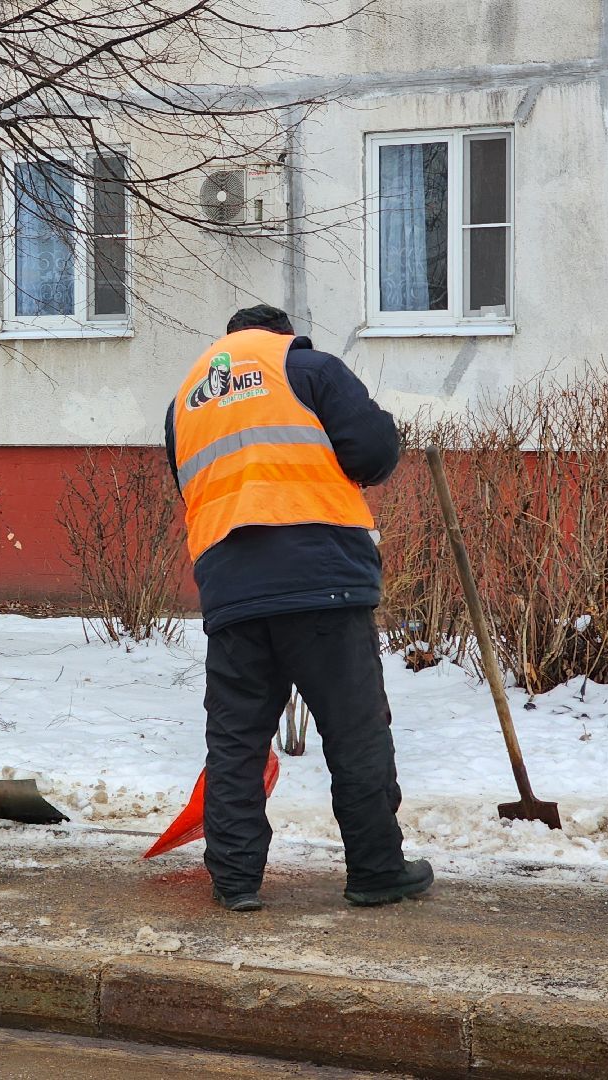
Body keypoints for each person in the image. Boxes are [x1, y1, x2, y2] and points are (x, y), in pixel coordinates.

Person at [164, 304, 432, 910]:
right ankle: (375, 870)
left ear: (229, 341)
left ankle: (234, 881)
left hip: (232, 589)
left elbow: (191, 482)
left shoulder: (186, 401)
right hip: (322, 580)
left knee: (235, 742)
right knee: (354, 732)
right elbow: (372, 450)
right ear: (282, 336)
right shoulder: (307, 368)